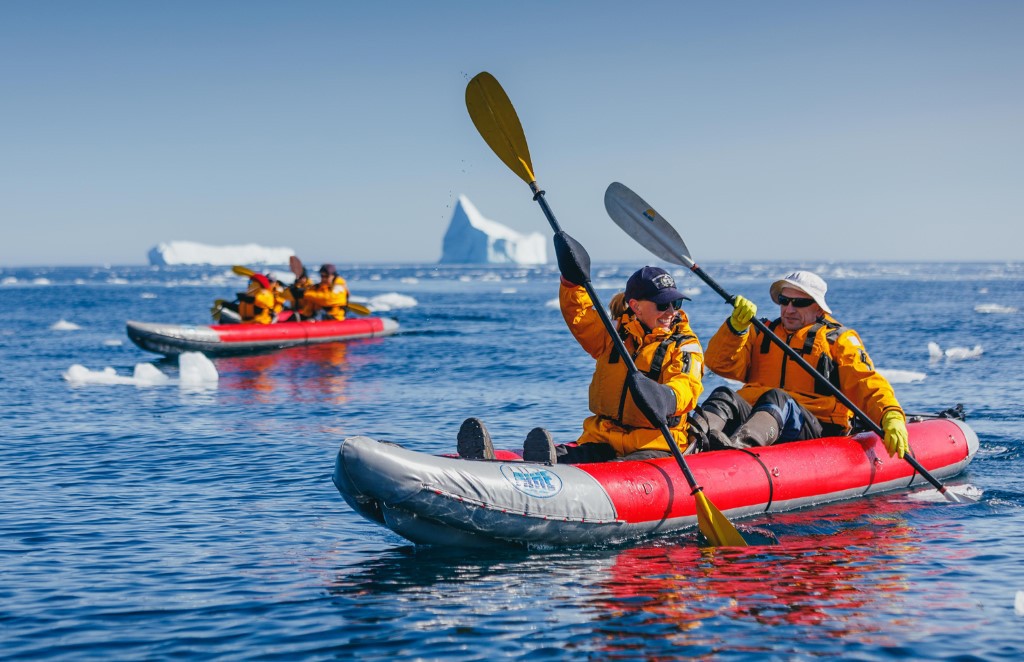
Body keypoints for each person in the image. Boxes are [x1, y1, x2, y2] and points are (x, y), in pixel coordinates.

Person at [457, 231, 705, 464]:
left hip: (656, 445)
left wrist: (666, 398)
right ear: (635, 306)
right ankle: (497, 464)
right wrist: (570, 281)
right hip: (603, 438)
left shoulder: (685, 346)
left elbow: (686, 386)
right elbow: (581, 316)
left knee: (617, 468)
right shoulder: (616, 335)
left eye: (675, 302)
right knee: (567, 457)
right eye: (662, 305)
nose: (671, 312)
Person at [691, 270, 908, 459]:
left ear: (819, 310)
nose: (789, 309)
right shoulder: (762, 332)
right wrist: (735, 329)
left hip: (816, 425)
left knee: (779, 399)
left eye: (800, 303)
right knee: (724, 395)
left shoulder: (838, 340)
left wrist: (890, 414)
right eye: (785, 301)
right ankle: (692, 442)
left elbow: (866, 382)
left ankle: (740, 454)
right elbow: (719, 364)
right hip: (762, 415)